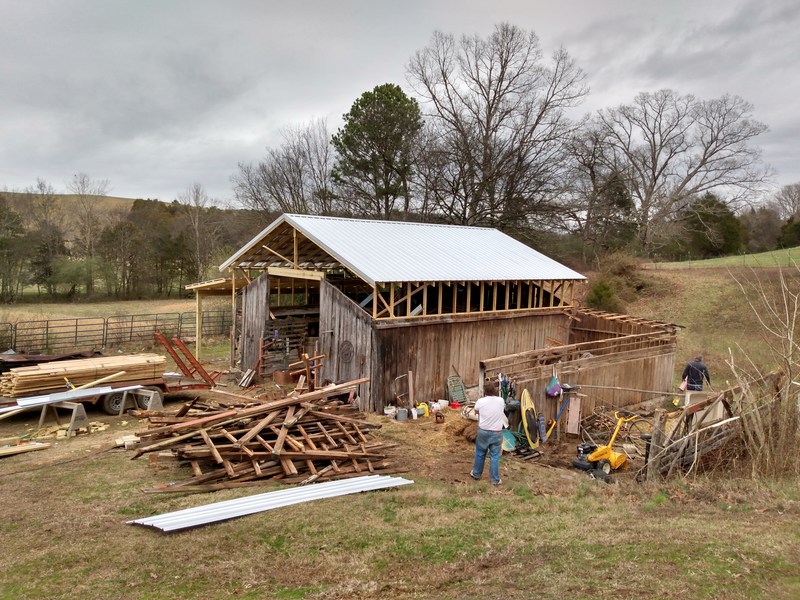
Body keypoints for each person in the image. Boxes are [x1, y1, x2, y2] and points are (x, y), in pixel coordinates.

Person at [470, 394, 505, 485]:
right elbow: (503, 408)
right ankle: (495, 480)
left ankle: (476, 474)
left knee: (480, 453)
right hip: (497, 432)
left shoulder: (480, 401)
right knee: (494, 457)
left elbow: (476, 411)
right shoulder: (501, 400)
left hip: (484, 432)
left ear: (485, 392)